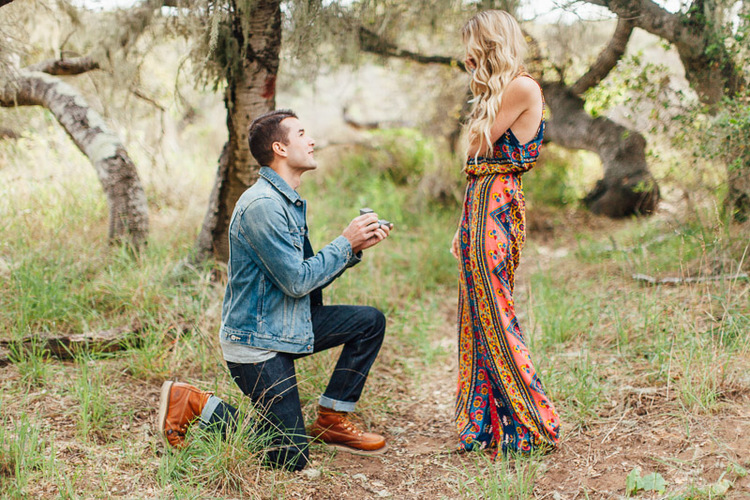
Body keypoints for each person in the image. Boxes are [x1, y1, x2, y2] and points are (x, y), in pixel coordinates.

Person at [157, 109, 392, 471]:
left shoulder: (285, 200)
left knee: (369, 322)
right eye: (302, 134)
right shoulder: (264, 206)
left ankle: (331, 419)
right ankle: (195, 404)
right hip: (257, 342)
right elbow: (297, 281)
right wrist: (345, 242)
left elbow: (303, 279)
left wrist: (354, 247)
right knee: (290, 456)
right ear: (280, 148)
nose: (311, 140)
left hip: (288, 323)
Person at [450, 10, 561, 455]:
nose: (466, 56)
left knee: (495, 312)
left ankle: (532, 421)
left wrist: (482, 98)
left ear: (488, 44)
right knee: (475, 317)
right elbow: (474, 158)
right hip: (480, 205)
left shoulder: (518, 86)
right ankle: (488, 425)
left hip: (495, 205)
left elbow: (474, 146)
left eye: (471, 47)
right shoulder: (496, 92)